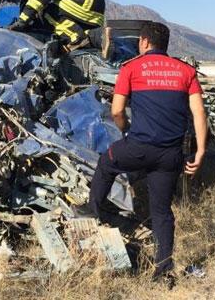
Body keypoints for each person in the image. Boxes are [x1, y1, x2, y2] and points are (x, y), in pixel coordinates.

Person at [88, 22, 208, 284]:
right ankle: (163, 269)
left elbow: (117, 111)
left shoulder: (130, 68)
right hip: (171, 155)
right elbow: (199, 113)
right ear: (165, 44)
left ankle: (92, 211)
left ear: (143, 42)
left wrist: (127, 131)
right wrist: (200, 151)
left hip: (139, 147)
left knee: (106, 162)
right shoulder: (186, 71)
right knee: (162, 212)